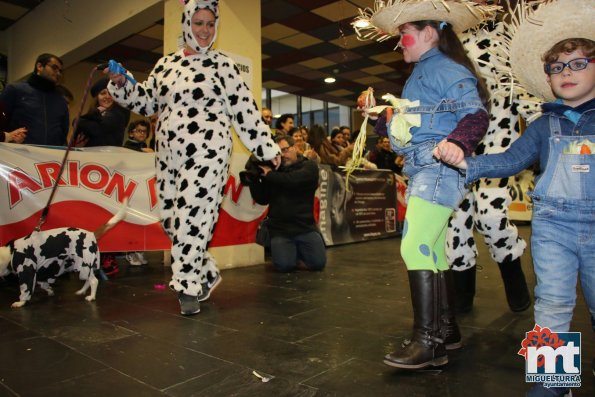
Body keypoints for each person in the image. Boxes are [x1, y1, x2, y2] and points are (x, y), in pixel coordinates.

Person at [436, 0, 594, 395]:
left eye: (577, 63)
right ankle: (552, 381)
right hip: (553, 229)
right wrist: (466, 164)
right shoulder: (544, 125)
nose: (565, 73)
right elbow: (510, 159)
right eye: (556, 67)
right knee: (552, 306)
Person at [106, 0, 280, 316]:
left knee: (195, 217)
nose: (204, 30)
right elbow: (145, 103)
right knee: (173, 220)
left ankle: (187, 286)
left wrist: (266, 149)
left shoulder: (223, 66)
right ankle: (207, 272)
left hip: (209, 150)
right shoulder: (165, 65)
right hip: (168, 155)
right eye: (198, 23)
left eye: (210, 24)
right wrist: (122, 84)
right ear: (187, 24)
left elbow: (244, 111)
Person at [353, 0, 493, 369]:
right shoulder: (426, 71)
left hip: (435, 168)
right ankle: (445, 331)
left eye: (406, 35)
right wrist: (379, 116)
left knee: (415, 246)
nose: (401, 43)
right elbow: (415, 124)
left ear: (430, 33)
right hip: (427, 167)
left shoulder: (442, 68)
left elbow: (476, 114)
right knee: (433, 249)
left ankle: (428, 343)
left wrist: (458, 143)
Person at [446, 3, 533, 314]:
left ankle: (513, 275)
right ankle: (462, 292)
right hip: (456, 145)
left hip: (496, 143)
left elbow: (524, 91)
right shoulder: (448, 44)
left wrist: (541, 125)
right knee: (455, 221)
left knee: (491, 217)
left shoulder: (506, 40)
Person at [245, 135, 326, 273]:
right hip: (280, 230)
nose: (283, 155)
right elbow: (263, 199)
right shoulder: (275, 170)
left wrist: (269, 175)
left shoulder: (309, 166)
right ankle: (290, 254)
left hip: (305, 227)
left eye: (285, 150)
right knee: (284, 266)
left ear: (295, 148)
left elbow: (293, 180)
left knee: (318, 264)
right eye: (278, 153)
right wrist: (254, 180)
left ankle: (296, 253)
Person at [0, 53, 69, 146]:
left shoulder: (60, 101)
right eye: (54, 68)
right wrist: (8, 138)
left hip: (51, 157)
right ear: (39, 66)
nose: (58, 73)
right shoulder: (15, 90)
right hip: (17, 155)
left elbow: (63, 133)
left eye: (60, 71)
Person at [74, 77, 130, 147]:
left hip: (107, 156)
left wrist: (77, 121)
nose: (107, 96)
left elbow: (97, 129)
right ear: (97, 97)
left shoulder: (118, 114)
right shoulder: (94, 113)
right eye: (103, 93)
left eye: (110, 94)